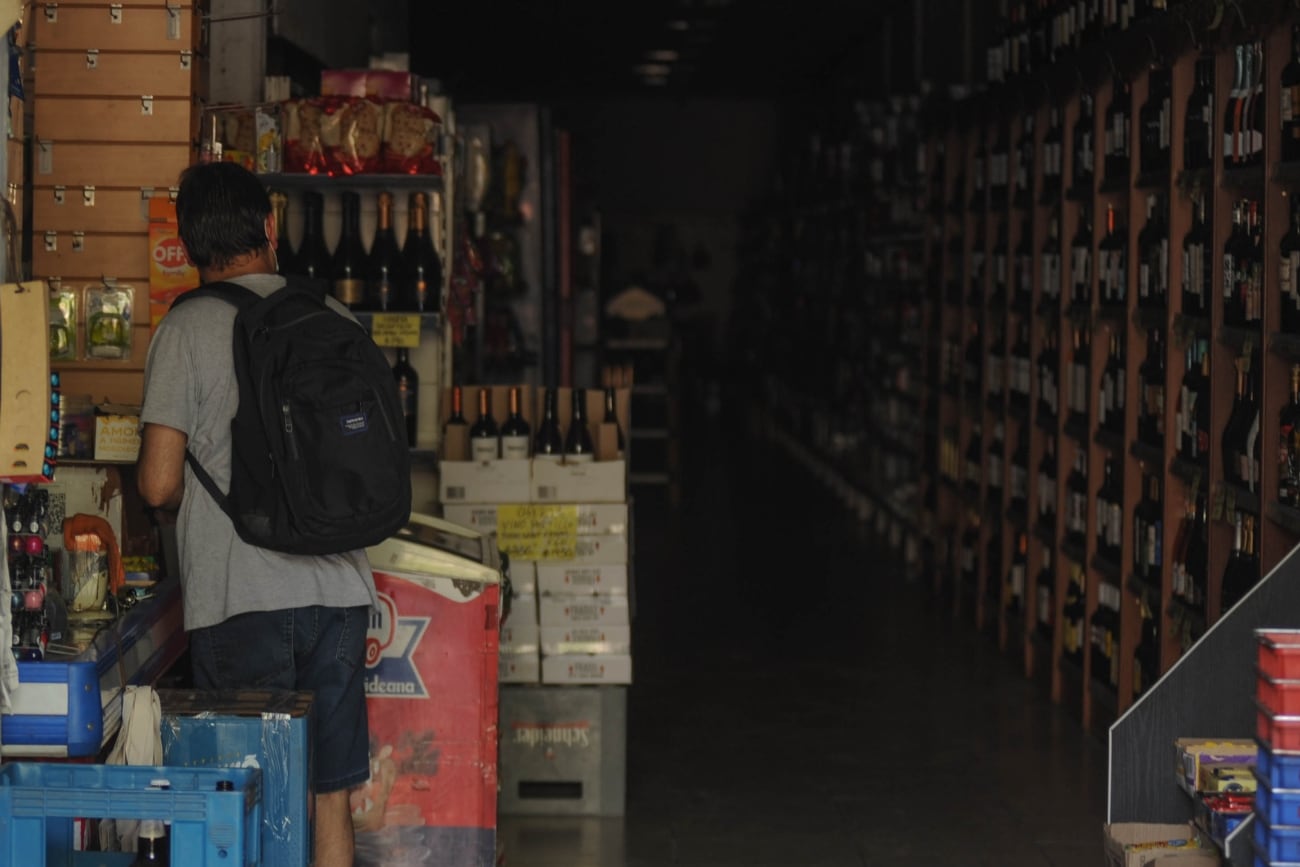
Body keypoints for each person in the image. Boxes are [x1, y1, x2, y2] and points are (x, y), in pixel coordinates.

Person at [137, 161, 374, 867]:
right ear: (269, 228)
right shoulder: (330, 316)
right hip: (339, 592)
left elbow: (155, 483)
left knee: (247, 791)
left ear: (187, 246)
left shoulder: (185, 330)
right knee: (327, 793)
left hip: (241, 598)